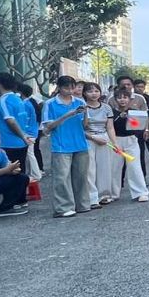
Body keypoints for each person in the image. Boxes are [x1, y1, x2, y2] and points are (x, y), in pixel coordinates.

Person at [39, 76, 90, 218]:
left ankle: (82, 204)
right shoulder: (50, 104)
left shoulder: (80, 102)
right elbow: (48, 127)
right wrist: (68, 114)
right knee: (62, 178)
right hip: (61, 146)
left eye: (72, 87)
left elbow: (85, 125)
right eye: (66, 88)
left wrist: (85, 113)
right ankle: (63, 207)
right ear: (59, 88)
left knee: (81, 176)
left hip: (80, 144)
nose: (70, 91)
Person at [109, 83, 149, 198]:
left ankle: (141, 192)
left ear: (129, 99)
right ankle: (113, 193)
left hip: (131, 140)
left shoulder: (134, 111)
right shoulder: (111, 112)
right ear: (115, 99)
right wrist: (120, 116)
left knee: (134, 167)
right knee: (115, 168)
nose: (122, 100)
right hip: (116, 140)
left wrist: (129, 118)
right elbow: (109, 126)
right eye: (119, 98)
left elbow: (138, 126)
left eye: (125, 97)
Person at [0, 73, 37, 172]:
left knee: (7, 173)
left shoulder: (4, 100)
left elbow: (10, 121)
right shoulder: (17, 99)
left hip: (7, 143)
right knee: (20, 171)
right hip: (20, 143)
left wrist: (23, 136)